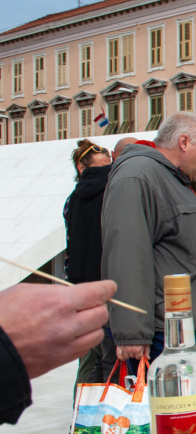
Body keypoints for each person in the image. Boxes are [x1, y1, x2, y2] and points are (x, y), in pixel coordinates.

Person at [100, 112, 196, 369]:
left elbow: (187, 251)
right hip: (161, 334)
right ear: (184, 142)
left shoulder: (171, 178)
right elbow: (127, 255)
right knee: (169, 408)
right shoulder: (138, 175)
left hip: (181, 326)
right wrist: (132, 333)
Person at [0, 280, 116, 425]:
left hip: (89, 312)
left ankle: (82, 423)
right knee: (94, 365)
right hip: (90, 312)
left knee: (93, 364)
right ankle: (83, 424)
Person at [64, 140, 113, 391]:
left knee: (89, 357)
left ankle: (80, 420)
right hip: (109, 284)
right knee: (108, 360)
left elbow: (71, 247)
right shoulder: (113, 191)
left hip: (81, 288)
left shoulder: (72, 200)